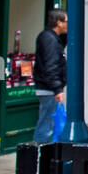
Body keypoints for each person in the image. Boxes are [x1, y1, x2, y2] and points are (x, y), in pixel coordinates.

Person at [33, 9, 67, 144]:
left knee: (50, 124)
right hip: (49, 89)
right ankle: (38, 156)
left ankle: (43, 156)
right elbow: (50, 66)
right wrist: (57, 89)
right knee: (46, 125)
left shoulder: (52, 38)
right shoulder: (49, 39)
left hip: (50, 88)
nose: (68, 24)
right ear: (58, 23)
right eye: (66, 22)